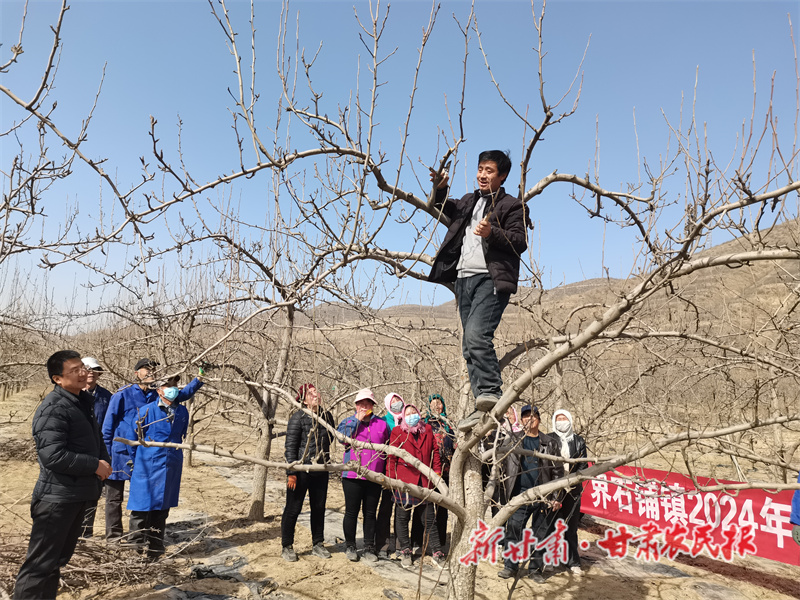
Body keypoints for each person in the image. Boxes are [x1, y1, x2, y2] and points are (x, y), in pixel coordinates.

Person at [427, 150, 530, 432]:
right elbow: (444, 207)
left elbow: (520, 241)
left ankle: (492, 395)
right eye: (480, 169)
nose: (483, 175)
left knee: (476, 336)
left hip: (491, 279)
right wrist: (441, 188)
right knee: (468, 347)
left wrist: (491, 233)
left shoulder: (512, 205)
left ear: (503, 176)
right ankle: (480, 407)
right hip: (463, 279)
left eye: (490, 171)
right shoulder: (470, 201)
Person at [13, 350, 112, 600]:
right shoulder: (53, 409)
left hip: (74, 495)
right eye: (75, 370)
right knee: (40, 565)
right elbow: (53, 456)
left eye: (83, 367)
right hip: (56, 499)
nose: (84, 373)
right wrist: (94, 466)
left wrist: (104, 463)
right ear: (57, 379)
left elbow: (95, 440)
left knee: (55, 561)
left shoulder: (81, 403)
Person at [101, 359, 202, 541]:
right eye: (146, 369)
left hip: (146, 456)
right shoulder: (122, 395)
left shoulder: (157, 396)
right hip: (120, 453)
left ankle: (148, 538)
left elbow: (180, 393)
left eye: (153, 370)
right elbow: (108, 427)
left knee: (146, 496)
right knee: (115, 498)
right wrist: (105, 455)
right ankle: (114, 538)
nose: (150, 372)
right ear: (136, 373)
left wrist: (199, 378)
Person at [126, 375, 202, 559]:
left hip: (171, 465)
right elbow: (132, 440)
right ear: (159, 390)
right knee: (141, 510)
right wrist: (138, 461)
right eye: (168, 386)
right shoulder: (144, 411)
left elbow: (181, 436)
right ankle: (134, 550)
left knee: (162, 510)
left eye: (175, 385)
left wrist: (199, 379)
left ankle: (155, 549)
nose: (172, 388)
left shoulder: (182, 412)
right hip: (146, 465)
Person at [497, 404, 563, 583]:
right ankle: (510, 566)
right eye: (525, 416)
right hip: (519, 494)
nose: (529, 419)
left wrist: (556, 497)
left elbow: (558, 472)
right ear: (521, 419)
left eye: (533, 416)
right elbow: (502, 465)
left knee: (539, 534)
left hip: (543, 496)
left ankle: (536, 569)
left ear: (539, 420)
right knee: (514, 530)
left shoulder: (549, 442)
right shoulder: (513, 439)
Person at [387, 402, 446, 568]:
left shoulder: (427, 429)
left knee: (429, 518)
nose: (411, 415)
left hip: (424, 481)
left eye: (414, 412)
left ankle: (436, 552)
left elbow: (435, 453)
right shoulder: (397, 431)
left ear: (419, 414)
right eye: (408, 413)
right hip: (404, 480)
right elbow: (392, 456)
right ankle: (405, 550)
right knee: (402, 517)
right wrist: (392, 478)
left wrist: (436, 474)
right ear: (403, 416)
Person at [281, 383, 336, 562]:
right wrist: (292, 472)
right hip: (301, 469)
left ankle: (318, 543)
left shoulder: (326, 416)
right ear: (303, 400)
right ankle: (287, 545)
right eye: (311, 394)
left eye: (316, 392)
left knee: (319, 508)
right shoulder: (297, 418)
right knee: (293, 508)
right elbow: (290, 447)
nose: (316, 395)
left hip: (321, 469)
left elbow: (331, 437)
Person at [336, 388, 390, 563]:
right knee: (351, 512)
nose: (364, 406)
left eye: (368, 403)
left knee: (370, 513)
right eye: (361, 403)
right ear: (356, 405)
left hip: (374, 475)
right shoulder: (348, 422)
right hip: (352, 474)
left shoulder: (382, 424)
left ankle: (368, 546)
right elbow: (341, 438)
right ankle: (350, 545)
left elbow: (388, 447)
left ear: (373, 405)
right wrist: (356, 421)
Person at [79, 356, 113, 538]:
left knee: (93, 493)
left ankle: (86, 533)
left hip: (97, 451)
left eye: (94, 369)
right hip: (76, 452)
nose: (91, 372)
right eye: (87, 369)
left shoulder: (107, 398)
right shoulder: (71, 394)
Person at [551, 409, 587, 574]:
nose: (561, 421)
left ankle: (572, 561)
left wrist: (572, 480)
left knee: (570, 527)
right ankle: (549, 558)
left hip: (572, 490)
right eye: (558, 418)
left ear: (570, 420)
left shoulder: (579, 441)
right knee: (551, 525)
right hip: (553, 489)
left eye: (564, 418)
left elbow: (583, 466)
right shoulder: (549, 439)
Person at [419, 393, 455, 549]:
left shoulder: (448, 425)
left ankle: (440, 542)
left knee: (442, 509)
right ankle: (421, 541)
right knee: (424, 507)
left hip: (445, 472)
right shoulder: (423, 424)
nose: (436, 406)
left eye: (439, 403)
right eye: (433, 404)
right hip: (428, 470)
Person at [375, 392, 405, 558]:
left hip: (405, 472)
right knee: (386, 508)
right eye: (393, 401)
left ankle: (401, 545)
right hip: (387, 470)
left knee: (402, 510)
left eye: (398, 400)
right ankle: (383, 545)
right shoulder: (383, 421)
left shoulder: (408, 420)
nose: (396, 404)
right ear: (387, 404)